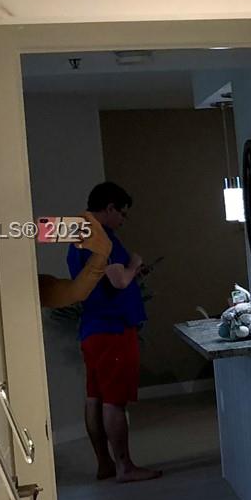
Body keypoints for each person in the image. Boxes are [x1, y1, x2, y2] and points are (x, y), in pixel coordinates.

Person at [68, 182, 160, 483]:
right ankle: (125, 467)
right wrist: (134, 264)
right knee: (114, 400)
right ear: (109, 208)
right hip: (113, 329)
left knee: (94, 397)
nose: (123, 219)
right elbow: (119, 280)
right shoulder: (102, 237)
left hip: (92, 327)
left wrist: (130, 273)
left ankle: (104, 463)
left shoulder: (80, 234)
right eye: (122, 213)